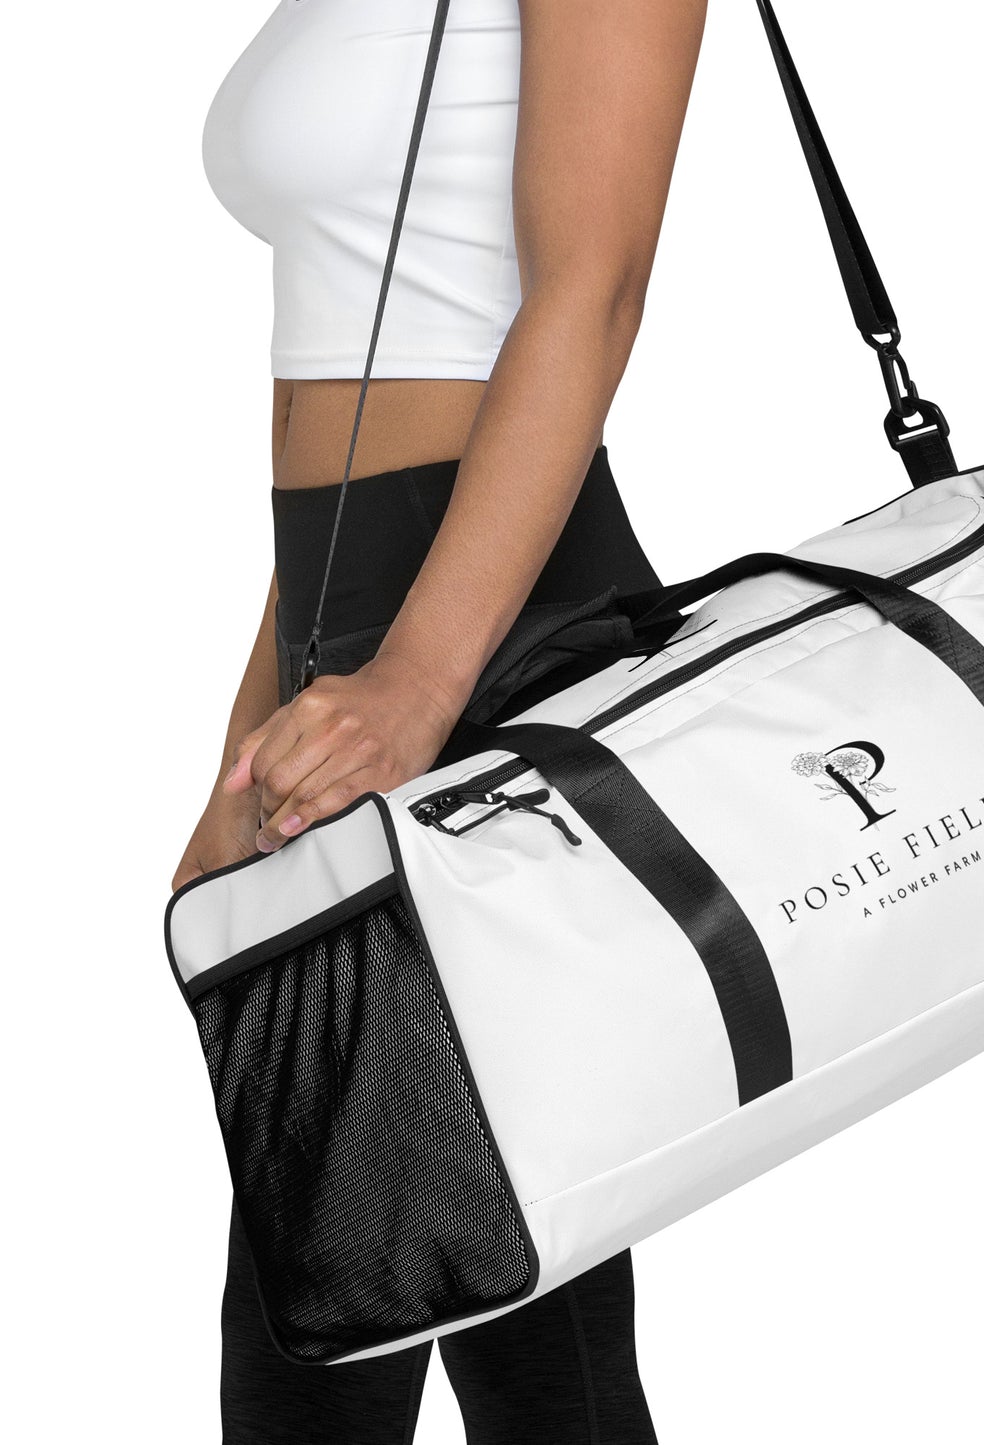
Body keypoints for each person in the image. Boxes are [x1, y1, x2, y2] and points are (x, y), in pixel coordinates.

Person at [170, 1, 709, 1439]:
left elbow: (594, 288)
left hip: (490, 641)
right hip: (362, 640)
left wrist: (417, 688)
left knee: (347, 1315)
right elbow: (346, 404)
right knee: (501, 1321)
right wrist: (250, 746)